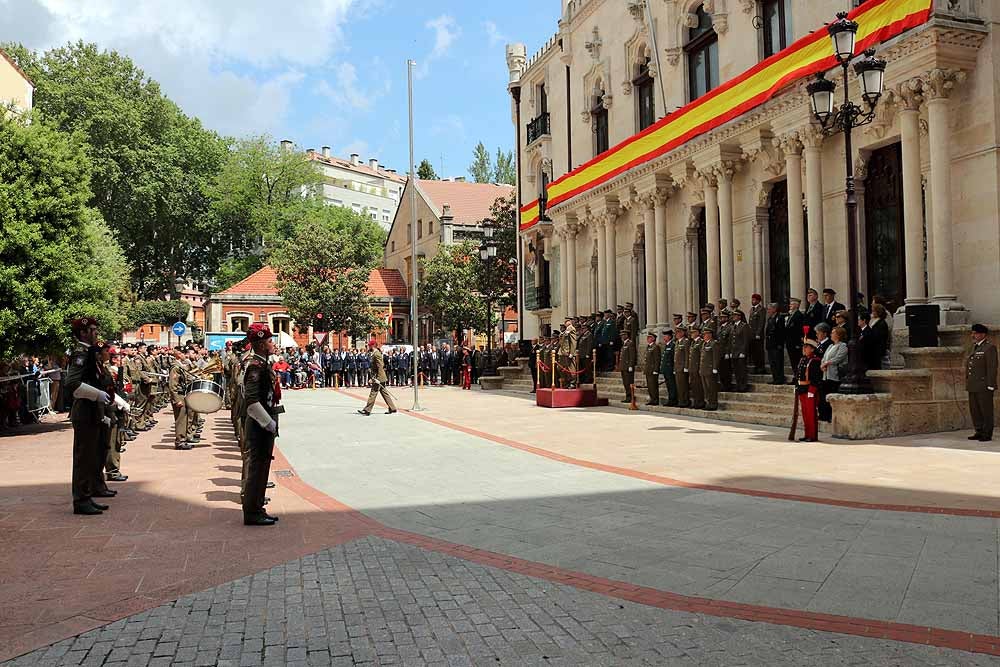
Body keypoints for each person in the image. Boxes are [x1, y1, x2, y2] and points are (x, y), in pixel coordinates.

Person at [64, 317, 117, 515]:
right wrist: (98, 395)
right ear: (84, 332)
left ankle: (88, 495)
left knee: (91, 456)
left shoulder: (90, 353)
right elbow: (72, 383)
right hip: (84, 412)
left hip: (92, 411)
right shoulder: (81, 352)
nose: (96, 333)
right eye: (93, 330)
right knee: (83, 458)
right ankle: (81, 500)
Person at [242, 323, 281, 526]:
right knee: (257, 470)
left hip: (264, 423)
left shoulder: (263, 363)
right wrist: (268, 424)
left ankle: (257, 507)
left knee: (262, 468)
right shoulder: (255, 366)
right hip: (259, 425)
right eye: (269, 340)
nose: (272, 343)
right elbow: (251, 401)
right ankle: (252, 512)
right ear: (261, 343)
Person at [967, 324, 997, 442]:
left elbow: (992, 367)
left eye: (975, 333)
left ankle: (987, 433)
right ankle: (978, 431)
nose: (972, 335)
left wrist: (991, 384)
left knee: (986, 410)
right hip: (972, 385)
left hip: (984, 385)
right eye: (972, 333)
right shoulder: (974, 347)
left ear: (983, 334)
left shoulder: (989, 348)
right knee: (975, 410)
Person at [795, 339, 823, 442]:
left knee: (811, 414)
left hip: (809, 390)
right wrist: (797, 387)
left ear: (812, 349)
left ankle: (812, 435)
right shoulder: (803, 359)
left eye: (806, 347)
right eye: (804, 347)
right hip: (802, 389)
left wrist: (812, 390)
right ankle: (807, 434)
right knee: (805, 414)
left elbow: (816, 377)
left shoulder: (815, 361)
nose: (804, 349)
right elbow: (798, 375)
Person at [819, 326, 848, 422]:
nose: (831, 334)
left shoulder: (842, 345)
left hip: (834, 374)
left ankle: (831, 416)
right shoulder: (831, 346)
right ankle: (824, 415)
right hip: (826, 374)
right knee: (824, 395)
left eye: (833, 332)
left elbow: (838, 358)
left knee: (831, 393)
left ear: (838, 335)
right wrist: (822, 364)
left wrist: (827, 363)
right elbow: (824, 357)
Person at [700, 326, 721, 411]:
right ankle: (708, 402)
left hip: (710, 369)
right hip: (703, 369)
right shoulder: (704, 343)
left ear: (710, 335)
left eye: (705, 334)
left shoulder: (714, 343)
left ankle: (713, 404)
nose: (704, 336)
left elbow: (716, 356)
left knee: (711, 388)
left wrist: (715, 367)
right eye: (703, 334)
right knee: (706, 388)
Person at [730, 309, 751, 392]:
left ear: (739, 317)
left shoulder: (744, 326)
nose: (733, 317)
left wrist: (743, 351)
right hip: (734, 351)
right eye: (733, 316)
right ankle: (738, 385)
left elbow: (746, 340)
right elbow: (731, 340)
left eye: (735, 316)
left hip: (740, 351)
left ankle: (743, 386)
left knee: (742, 370)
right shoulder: (733, 326)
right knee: (736, 370)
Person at [765, 303, 786, 385]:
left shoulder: (779, 318)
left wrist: (780, 344)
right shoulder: (770, 318)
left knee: (778, 362)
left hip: (777, 344)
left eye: (769, 309)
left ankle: (780, 378)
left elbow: (781, 332)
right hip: (770, 344)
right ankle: (775, 378)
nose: (768, 311)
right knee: (772, 363)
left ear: (774, 309)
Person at [785, 298, 805, 371]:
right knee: (793, 361)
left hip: (795, 342)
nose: (790, 305)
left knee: (797, 360)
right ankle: (795, 376)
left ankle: (798, 377)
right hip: (790, 341)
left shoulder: (798, 315)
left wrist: (798, 343)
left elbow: (799, 330)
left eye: (792, 304)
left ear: (796, 305)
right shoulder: (791, 315)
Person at [749, 293, 766, 375]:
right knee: (754, 352)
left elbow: (761, 322)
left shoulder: (761, 309)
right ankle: (756, 366)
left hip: (757, 334)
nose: (752, 301)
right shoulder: (752, 309)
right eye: (752, 299)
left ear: (758, 301)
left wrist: (758, 333)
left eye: (754, 300)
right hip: (752, 334)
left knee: (759, 351)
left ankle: (761, 367)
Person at [558, 317, 578, 389]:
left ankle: (573, 383)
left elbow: (573, 342)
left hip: (568, 352)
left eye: (566, 321)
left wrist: (572, 353)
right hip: (563, 352)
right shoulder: (566, 330)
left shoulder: (571, 329)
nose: (565, 322)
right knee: (562, 368)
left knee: (571, 368)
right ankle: (567, 381)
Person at [688, 325, 705, 410]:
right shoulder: (693, 342)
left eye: (693, 332)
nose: (691, 334)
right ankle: (696, 401)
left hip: (697, 367)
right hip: (692, 368)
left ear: (698, 333)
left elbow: (701, 356)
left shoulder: (701, 342)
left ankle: (700, 402)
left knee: (699, 386)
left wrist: (699, 368)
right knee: (694, 386)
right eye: (691, 332)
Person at [674, 326, 690, 408]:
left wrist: (686, 367)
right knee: (679, 386)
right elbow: (675, 357)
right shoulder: (677, 342)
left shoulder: (686, 341)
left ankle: (685, 401)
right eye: (676, 332)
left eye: (678, 332)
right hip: (677, 367)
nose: (676, 334)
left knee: (684, 385)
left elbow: (687, 355)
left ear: (683, 333)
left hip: (683, 367)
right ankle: (681, 400)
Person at [659, 330, 677, 407]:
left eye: (665, 336)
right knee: (669, 385)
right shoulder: (667, 345)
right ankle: (670, 399)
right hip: (666, 369)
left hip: (670, 369)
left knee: (672, 385)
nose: (664, 337)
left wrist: (674, 369)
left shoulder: (672, 345)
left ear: (669, 337)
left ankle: (673, 400)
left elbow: (674, 358)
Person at [643, 332, 661, 406]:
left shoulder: (655, 347)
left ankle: (655, 399)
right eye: (647, 337)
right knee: (650, 386)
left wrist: (656, 370)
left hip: (653, 370)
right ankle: (652, 398)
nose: (648, 339)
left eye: (649, 337)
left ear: (653, 338)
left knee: (653, 386)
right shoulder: (649, 347)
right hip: (648, 370)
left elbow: (657, 359)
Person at [619, 330, 637, 404]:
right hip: (623, 366)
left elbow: (632, 356)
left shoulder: (630, 343)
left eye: (624, 335)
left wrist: (630, 365)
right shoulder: (624, 344)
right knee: (625, 383)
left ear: (627, 335)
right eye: (621, 335)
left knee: (628, 382)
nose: (622, 336)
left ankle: (630, 396)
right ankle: (628, 396)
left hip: (627, 367)